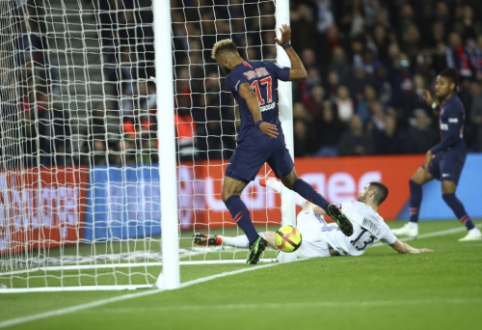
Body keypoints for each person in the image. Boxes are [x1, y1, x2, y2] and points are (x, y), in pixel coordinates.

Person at [211, 24, 353, 265]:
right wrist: (287, 46)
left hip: (254, 138)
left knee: (229, 194)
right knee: (293, 181)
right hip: (276, 136)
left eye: (218, 61)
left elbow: (248, 94)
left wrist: (257, 122)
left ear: (224, 58)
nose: (219, 65)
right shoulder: (264, 66)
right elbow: (300, 73)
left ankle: (254, 239)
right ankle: (329, 208)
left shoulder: (233, 76)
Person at [194, 174, 433, 258]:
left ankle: (277, 186)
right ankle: (221, 241)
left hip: (319, 237)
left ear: (371, 193)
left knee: (310, 203)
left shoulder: (354, 206)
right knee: (275, 240)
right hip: (328, 253)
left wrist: (319, 209)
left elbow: (322, 209)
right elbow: (400, 247)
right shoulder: (382, 226)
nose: (360, 191)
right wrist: (418, 251)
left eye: (364, 189)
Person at [392, 68, 481, 241]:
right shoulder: (445, 103)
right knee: (415, 181)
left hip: (454, 153)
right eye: (437, 83)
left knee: (448, 194)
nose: (437, 86)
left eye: (442, 83)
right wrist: (432, 104)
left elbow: (454, 136)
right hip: (444, 152)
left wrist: (431, 150)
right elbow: (442, 114)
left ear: (452, 85)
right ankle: (412, 226)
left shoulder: (455, 104)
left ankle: (473, 230)